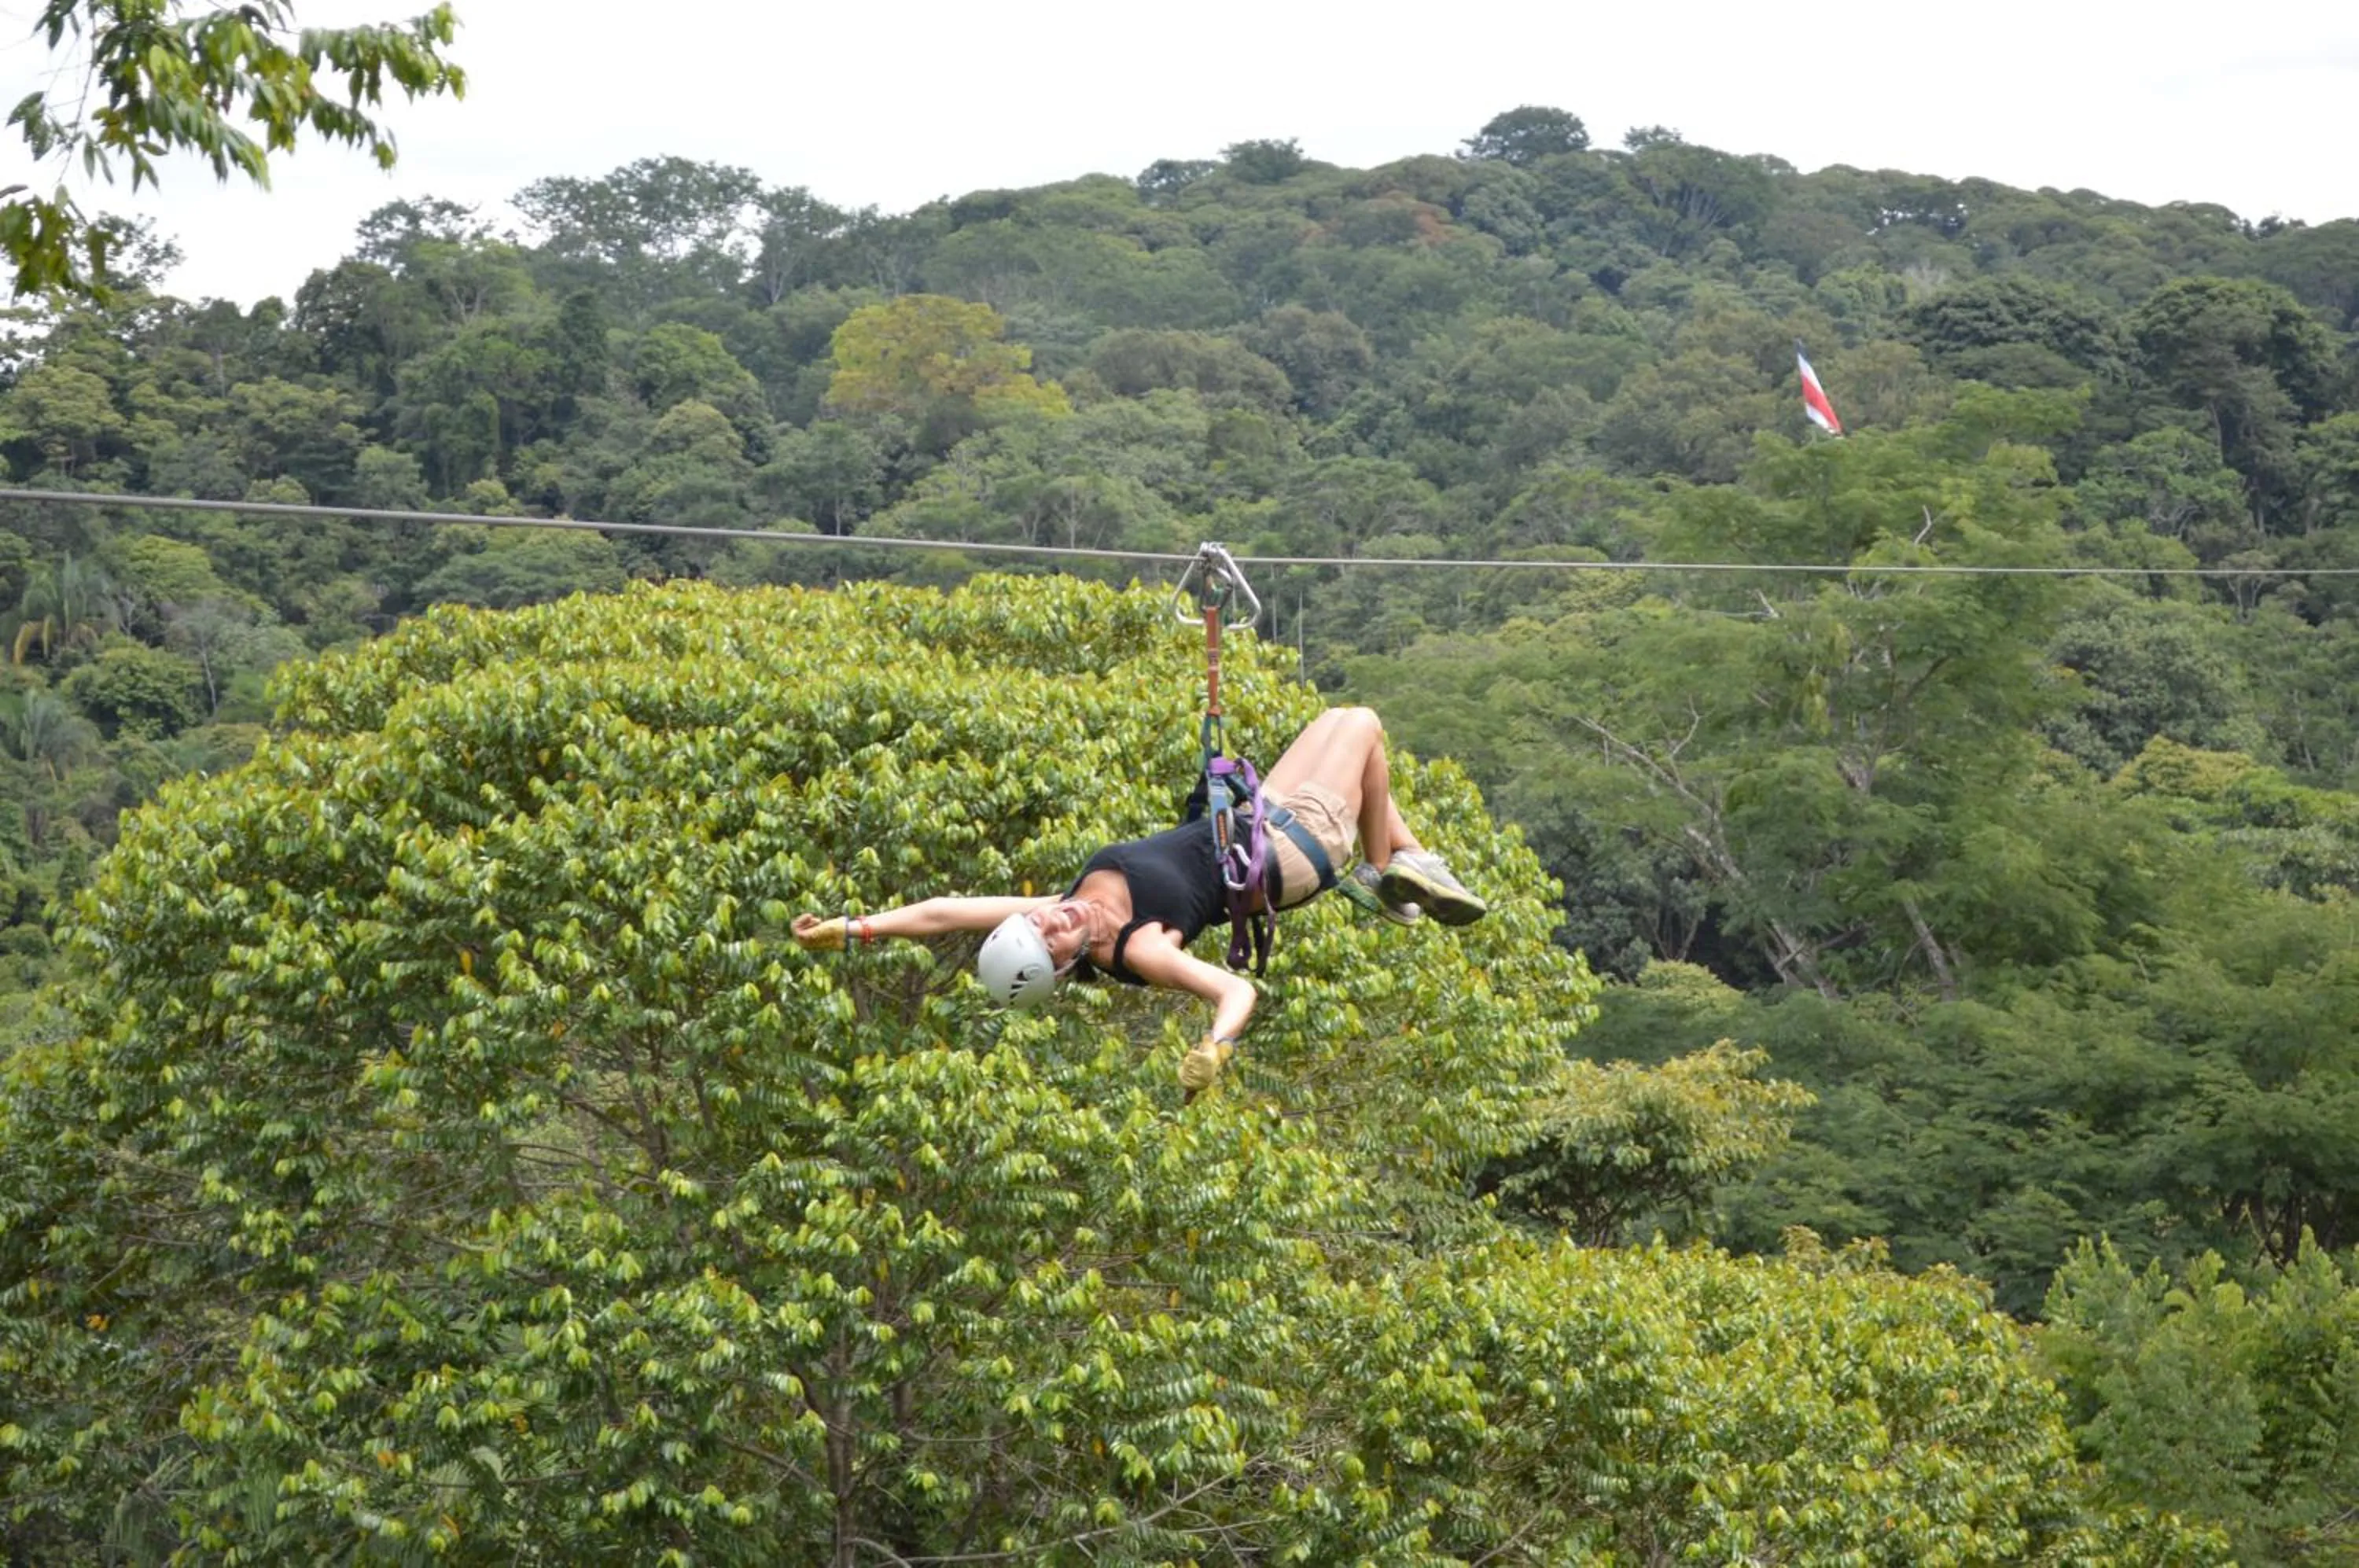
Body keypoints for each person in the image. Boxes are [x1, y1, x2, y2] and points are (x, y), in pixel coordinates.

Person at [790, 706, 1485, 1099]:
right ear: (1066, 966)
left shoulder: (1062, 903)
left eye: (1034, 921)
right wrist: (1216, 1048)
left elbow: (942, 912)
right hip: (1293, 854)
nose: (1051, 920)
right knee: (1362, 725)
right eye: (1050, 940)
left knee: (1339, 723)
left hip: (1258, 819)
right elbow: (1235, 990)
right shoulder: (1139, 947)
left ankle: (1402, 871)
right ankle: (1387, 869)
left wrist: (850, 929)